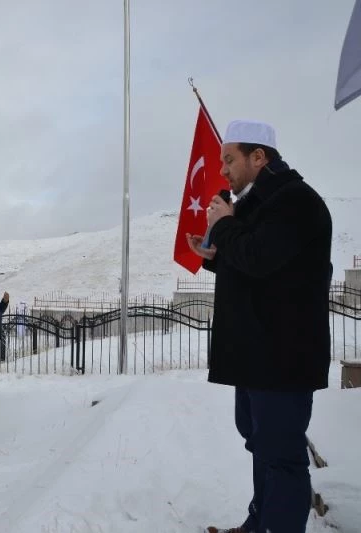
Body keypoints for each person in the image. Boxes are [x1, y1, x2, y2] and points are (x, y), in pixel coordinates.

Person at [185, 120, 332, 533]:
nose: (223, 170)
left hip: (283, 356)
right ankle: (260, 523)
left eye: (229, 160)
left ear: (259, 157)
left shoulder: (295, 201)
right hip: (257, 354)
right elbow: (255, 267)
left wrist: (226, 225)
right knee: (260, 443)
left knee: (281, 455)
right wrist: (214, 254)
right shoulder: (255, 204)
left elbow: (259, 258)